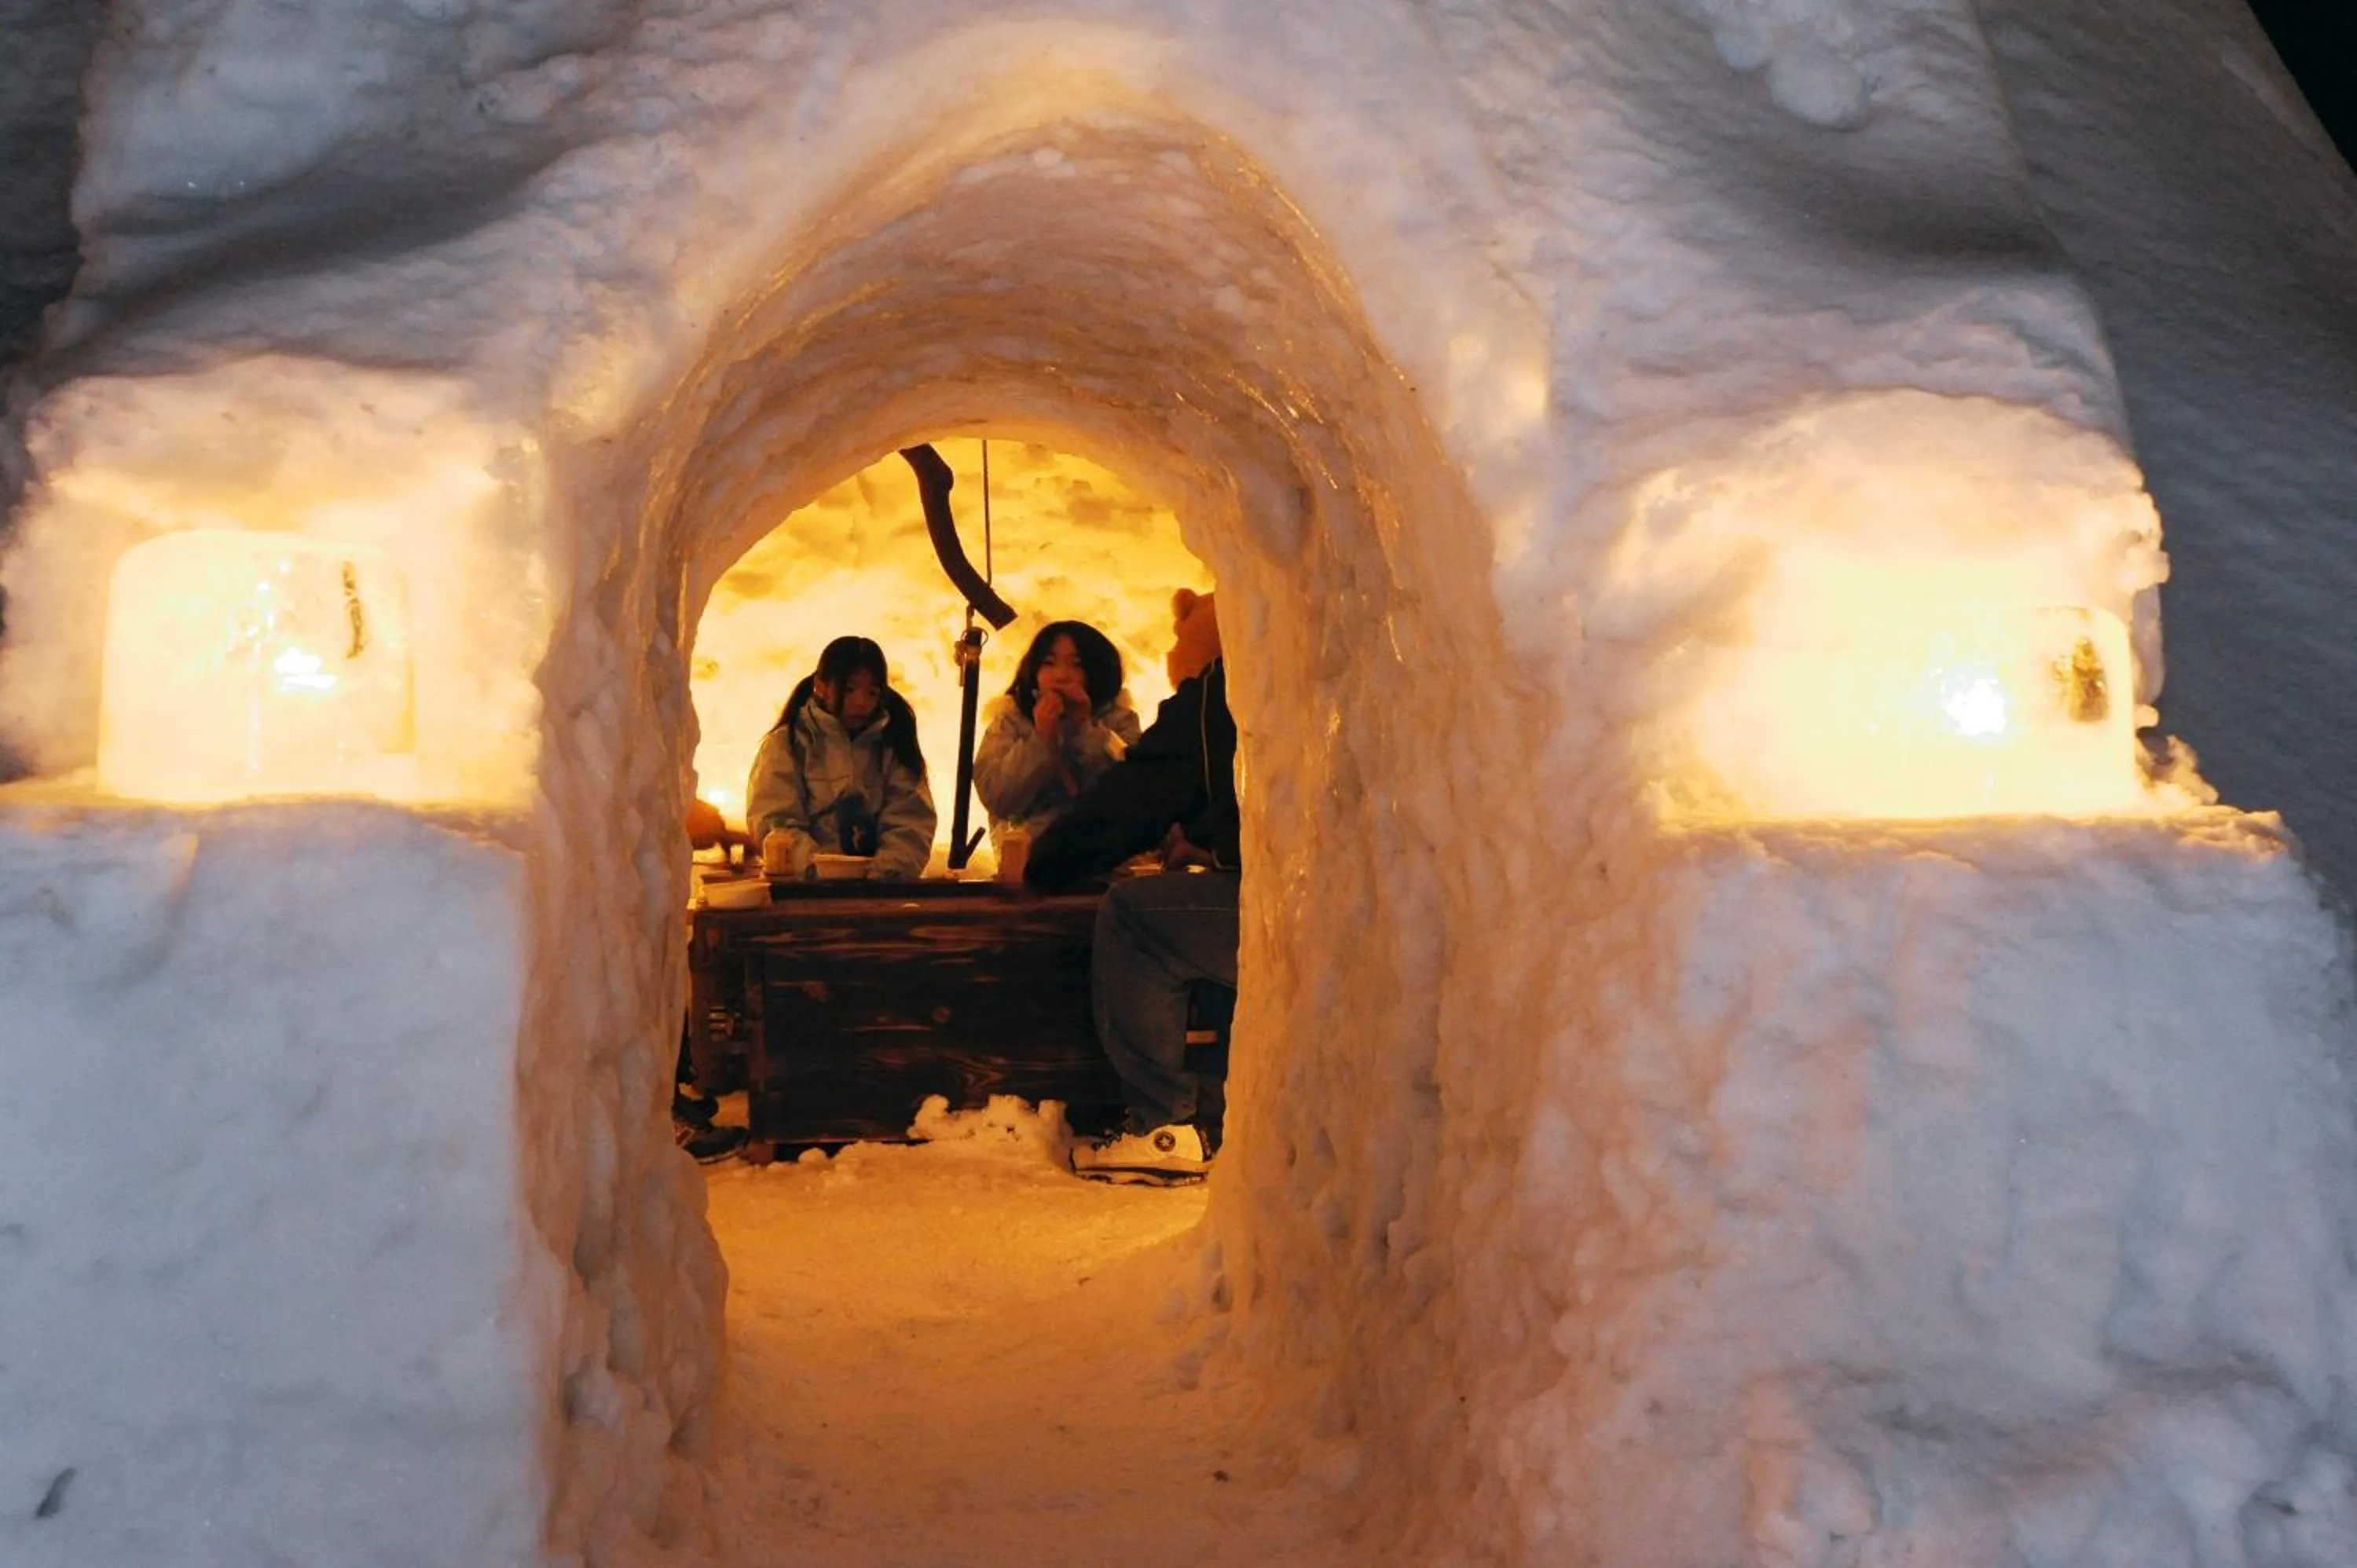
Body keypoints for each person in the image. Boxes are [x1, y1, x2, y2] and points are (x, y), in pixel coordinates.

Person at [1025, 588, 1237, 1184]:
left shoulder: (1214, 697)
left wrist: (1048, 864)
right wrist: (1216, 843)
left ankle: (1160, 1126)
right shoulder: (1295, 684)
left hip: (1285, 908)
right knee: (1199, 916)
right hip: (1340, 901)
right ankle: (1220, 1118)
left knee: (1135, 916)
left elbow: (1133, 801)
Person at [746, 636, 938, 881]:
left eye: (872, 692)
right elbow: (775, 821)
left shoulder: (893, 745)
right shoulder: (788, 744)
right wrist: (823, 871)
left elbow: (911, 821)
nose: (861, 702)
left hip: (879, 894)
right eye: (849, 689)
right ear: (821, 685)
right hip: (804, 892)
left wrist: (885, 872)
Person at [972, 620, 1143, 850]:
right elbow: (999, 798)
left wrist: (1084, 728)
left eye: (1077, 665)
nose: (1062, 676)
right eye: (1049, 663)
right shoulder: (1010, 720)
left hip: (1106, 863)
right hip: (1027, 864)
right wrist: (1041, 738)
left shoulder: (1120, 721)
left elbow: (1127, 793)